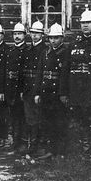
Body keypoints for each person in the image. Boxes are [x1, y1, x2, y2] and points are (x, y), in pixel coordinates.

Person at [60, 6, 91, 176]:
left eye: (89, 22)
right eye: (83, 23)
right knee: (82, 125)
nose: (85, 25)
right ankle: (86, 157)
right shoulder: (73, 45)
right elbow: (65, 71)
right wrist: (64, 93)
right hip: (78, 95)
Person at [33, 23, 68, 159]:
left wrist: (63, 94)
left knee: (60, 123)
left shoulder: (65, 52)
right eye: (51, 38)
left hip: (58, 95)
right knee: (47, 123)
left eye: (56, 38)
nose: (53, 41)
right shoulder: (45, 53)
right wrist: (37, 93)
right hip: (45, 94)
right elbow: (39, 74)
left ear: (62, 38)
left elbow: (65, 76)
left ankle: (61, 152)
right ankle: (50, 150)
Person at [22, 21, 47, 155]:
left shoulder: (44, 50)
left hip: (37, 90)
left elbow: (42, 73)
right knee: (29, 118)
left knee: (38, 118)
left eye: (37, 33)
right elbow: (24, 72)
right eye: (32, 33)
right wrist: (22, 89)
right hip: (27, 90)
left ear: (42, 35)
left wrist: (38, 91)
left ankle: (38, 146)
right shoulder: (28, 49)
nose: (34, 36)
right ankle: (30, 144)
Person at [5, 22, 29, 153]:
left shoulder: (27, 51)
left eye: (19, 34)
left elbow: (26, 74)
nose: (17, 36)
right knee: (13, 117)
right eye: (15, 34)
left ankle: (23, 143)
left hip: (21, 90)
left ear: (24, 35)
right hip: (11, 89)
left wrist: (23, 90)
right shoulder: (11, 51)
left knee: (22, 117)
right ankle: (15, 141)